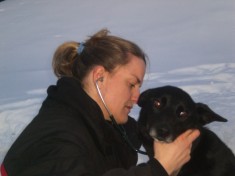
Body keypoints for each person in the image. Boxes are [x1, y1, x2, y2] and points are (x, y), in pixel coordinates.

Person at [1, 29, 199, 176]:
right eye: (131, 84)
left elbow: (136, 134)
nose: (137, 97)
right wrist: (158, 169)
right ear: (99, 77)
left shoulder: (98, 121)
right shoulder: (58, 137)